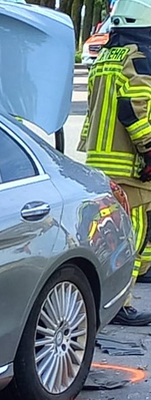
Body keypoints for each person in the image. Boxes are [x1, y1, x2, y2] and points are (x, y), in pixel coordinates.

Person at [80, 0, 151, 325]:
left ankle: (129, 281)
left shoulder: (107, 56)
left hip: (102, 159)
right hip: (130, 165)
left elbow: (96, 108)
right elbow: (136, 109)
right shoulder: (140, 57)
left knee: (110, 231)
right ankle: (120, 301)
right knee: (133, 231)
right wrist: (149, 151)